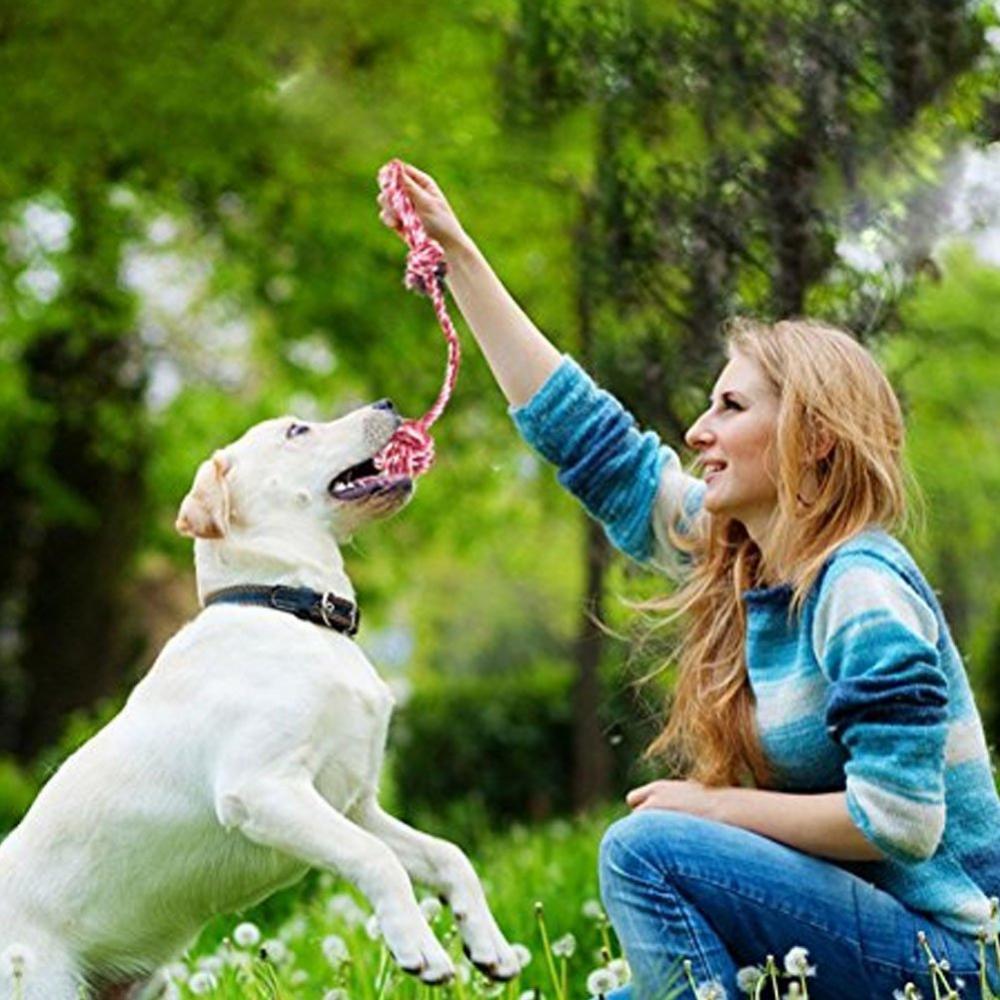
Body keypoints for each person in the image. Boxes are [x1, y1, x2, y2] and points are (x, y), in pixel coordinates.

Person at [377, 163, 1000, 999]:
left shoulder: (861, 587)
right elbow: (591, 445)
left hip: (950, 960)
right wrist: (459, 256)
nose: (699, 431)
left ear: (813, 439)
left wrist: (712, 809)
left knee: (645, 850)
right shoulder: (746, 560)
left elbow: (901, 822)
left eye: (732, 408)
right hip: (859, 940)